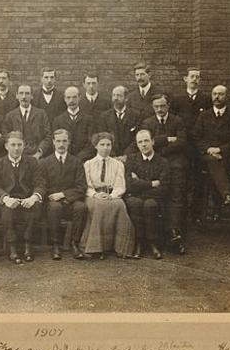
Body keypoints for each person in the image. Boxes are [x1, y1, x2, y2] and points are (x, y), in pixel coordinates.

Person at [137, 94, 189, 254]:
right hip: (154, 162)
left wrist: (162, 146)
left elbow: (182, 141)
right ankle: (161, 234)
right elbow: (147, 142)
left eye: (162, 106)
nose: (159, 109)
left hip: (174, 162)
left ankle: (174, 232)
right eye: (156, 107)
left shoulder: (177, 120)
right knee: (157, 194)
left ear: (168, 106)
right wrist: (167, 138)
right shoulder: (148, 122)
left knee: (175, 193)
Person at [0, 131, 45, 264]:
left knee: (35, 206)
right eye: (12, 145)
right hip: (7, 202)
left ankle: (27, 245)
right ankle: (12, 247)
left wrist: (33, 197)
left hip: (26, 200)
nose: (16, 148)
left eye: (19, 145)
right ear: (6, 146)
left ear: (24, 146)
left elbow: (40, 184)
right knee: (7, 210)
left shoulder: (32, 162)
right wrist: (5, 199)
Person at [79, 132, 135, 259]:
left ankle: (120, 247)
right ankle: (96, 248)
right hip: (94, 196)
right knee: (99, 206)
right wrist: (95, 195)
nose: (105, 148)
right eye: (102, 144)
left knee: (120, 205)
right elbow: (86, 185)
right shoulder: (88, 164)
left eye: (108, 145)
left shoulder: (118, 164)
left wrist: (113, 195)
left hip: (112, 195)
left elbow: (120, 184)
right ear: (96, 146)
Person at [191, 84, 230, 207]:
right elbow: (196, 136)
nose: (217, 97)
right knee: (212, 160)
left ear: (226, 97)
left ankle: (219, 209)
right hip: (207, 156)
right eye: (214, 94)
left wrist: (221, 149)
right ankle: (227, 195)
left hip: (227, 157)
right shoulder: (204, 115)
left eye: (220, 94)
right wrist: (208, 149)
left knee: (217, 165)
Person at [39, 129, 87, 260]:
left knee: (81, 207)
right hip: (52, 201)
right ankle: (55, 244)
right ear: (53, 142)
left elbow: (81, 187)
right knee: (55, 207)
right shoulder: (44, 162)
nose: (61, 144)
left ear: (69, 142)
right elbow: (42, 185)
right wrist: (53, 196)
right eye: (58, 141)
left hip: (71, 200)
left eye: (64, 141)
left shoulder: (76, 162)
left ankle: (75, 243)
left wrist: (64, 195)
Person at [125, 129, 169, 260]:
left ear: (153, 142)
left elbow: (164, 188)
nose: (143, 145)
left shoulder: (162, 162)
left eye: (146, 141)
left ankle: (152, 242)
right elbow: (129, 185)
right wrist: (151, 184)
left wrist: (139, 183)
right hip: (137, 197)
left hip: (155, 198)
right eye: (140, 142)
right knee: (134, 202)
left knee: (149, 205)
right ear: (137, 144)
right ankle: (138, 242)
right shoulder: (132, 160)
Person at [2, 84, 52, 159]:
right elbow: (6, 136)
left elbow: (48, 136)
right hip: (17, 157)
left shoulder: (41, 114)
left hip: (37, 157)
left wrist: (39, 153)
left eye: (27, 93)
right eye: (21, 93)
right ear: (17, 96)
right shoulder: (10, 116)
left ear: (32, 96)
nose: (24, 97)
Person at [97, 85, 143, 160]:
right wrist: (113, 155)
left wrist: (126, 155)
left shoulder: (136, 115)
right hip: (111, 156)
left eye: (119, 96)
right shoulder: (104, 116)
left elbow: (137, 138)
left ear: (126, 98)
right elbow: (103, 137)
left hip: (131, 156)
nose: (115, 98)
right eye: (114, 95)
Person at [51, 86, 96, 160]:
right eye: (68, 98)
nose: (71, 100)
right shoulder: (58, 121)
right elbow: (55, 143)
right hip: (65, 160)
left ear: (79, 98)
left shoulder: (89, 119)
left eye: (74, 97)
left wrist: (79, 157)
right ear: (65, 99)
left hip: (84, 160)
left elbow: (91, 143)